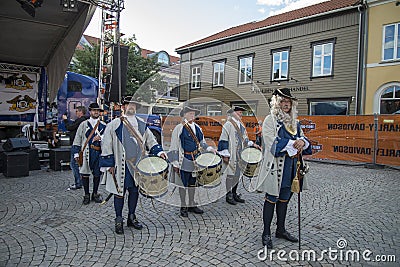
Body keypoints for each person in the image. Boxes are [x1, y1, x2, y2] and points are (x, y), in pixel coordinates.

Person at [100, 96, 167, 234]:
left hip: (137, 165)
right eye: (128, 104)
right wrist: (109, 164)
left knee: (134, 191)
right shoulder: (114, 124)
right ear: (123, 107)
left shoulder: (141, 124)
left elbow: (151, 141)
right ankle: (119, 219)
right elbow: (106, 144)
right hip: (121, 164)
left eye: (133, 105)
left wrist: (159, 152)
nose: (131, 107)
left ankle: (131, 216)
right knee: (120, 192)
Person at [256, 88, 312, 249]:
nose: (286, 104)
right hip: (275, 168)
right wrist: (293, 144)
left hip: (292, 167)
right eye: (282, 101)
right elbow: (270, 142)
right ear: (277, 103)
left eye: (288, 102)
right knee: (271, 199)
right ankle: (266, 233)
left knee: (284, 200)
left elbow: (303, 138)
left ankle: (280, 229)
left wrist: (303, 142)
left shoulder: (295, 122)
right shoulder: (270, 120)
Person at [169, 106, 216, 217]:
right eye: (190, 113)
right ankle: (183, 206)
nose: (192, 115)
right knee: (183, 184)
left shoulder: (197, 128)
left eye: (193, 114)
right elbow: (174, 146)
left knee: (192, 183)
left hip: (196, 159)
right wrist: (175, 163)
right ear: (184, 115)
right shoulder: (179, 128)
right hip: (184, 159)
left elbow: (202, 142)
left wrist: (210, 149)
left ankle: (191, 204)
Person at [217, 106, 260, 205]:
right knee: (230, 175)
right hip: (231, 154)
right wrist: (225, 154)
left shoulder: (241, 125)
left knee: (237, 175)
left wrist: (253, 144)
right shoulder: (228, 124)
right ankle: (229, 195)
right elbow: (223, 140)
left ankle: (235, 193)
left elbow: (245, 139)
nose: (241, 115)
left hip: (240, 155)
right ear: (233, 113)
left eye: (241, 113)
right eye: (239, 113)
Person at [72, 103, 107, 205]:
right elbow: (77, 139)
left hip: (98, 152)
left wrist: (101, 138)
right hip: (86, 152)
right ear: (90, 111)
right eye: (93, 110)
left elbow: (109, 139)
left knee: (97, 174)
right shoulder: (84, 124)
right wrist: (76, 154)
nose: (96, 112)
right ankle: (86, 194)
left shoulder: (104, 126)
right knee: (85, 174)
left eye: (97, 110)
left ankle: (95, 193)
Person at [62, 106, 88, 190]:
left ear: (81, 112)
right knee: (79, 164)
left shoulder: (81, 120)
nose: (76, 113)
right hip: (80, 144)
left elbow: (70, 128)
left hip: (77, 144)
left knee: (74, 164)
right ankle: (81, 181)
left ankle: (78, 183)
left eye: (77, 111)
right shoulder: (85, 120)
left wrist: (65, 120)